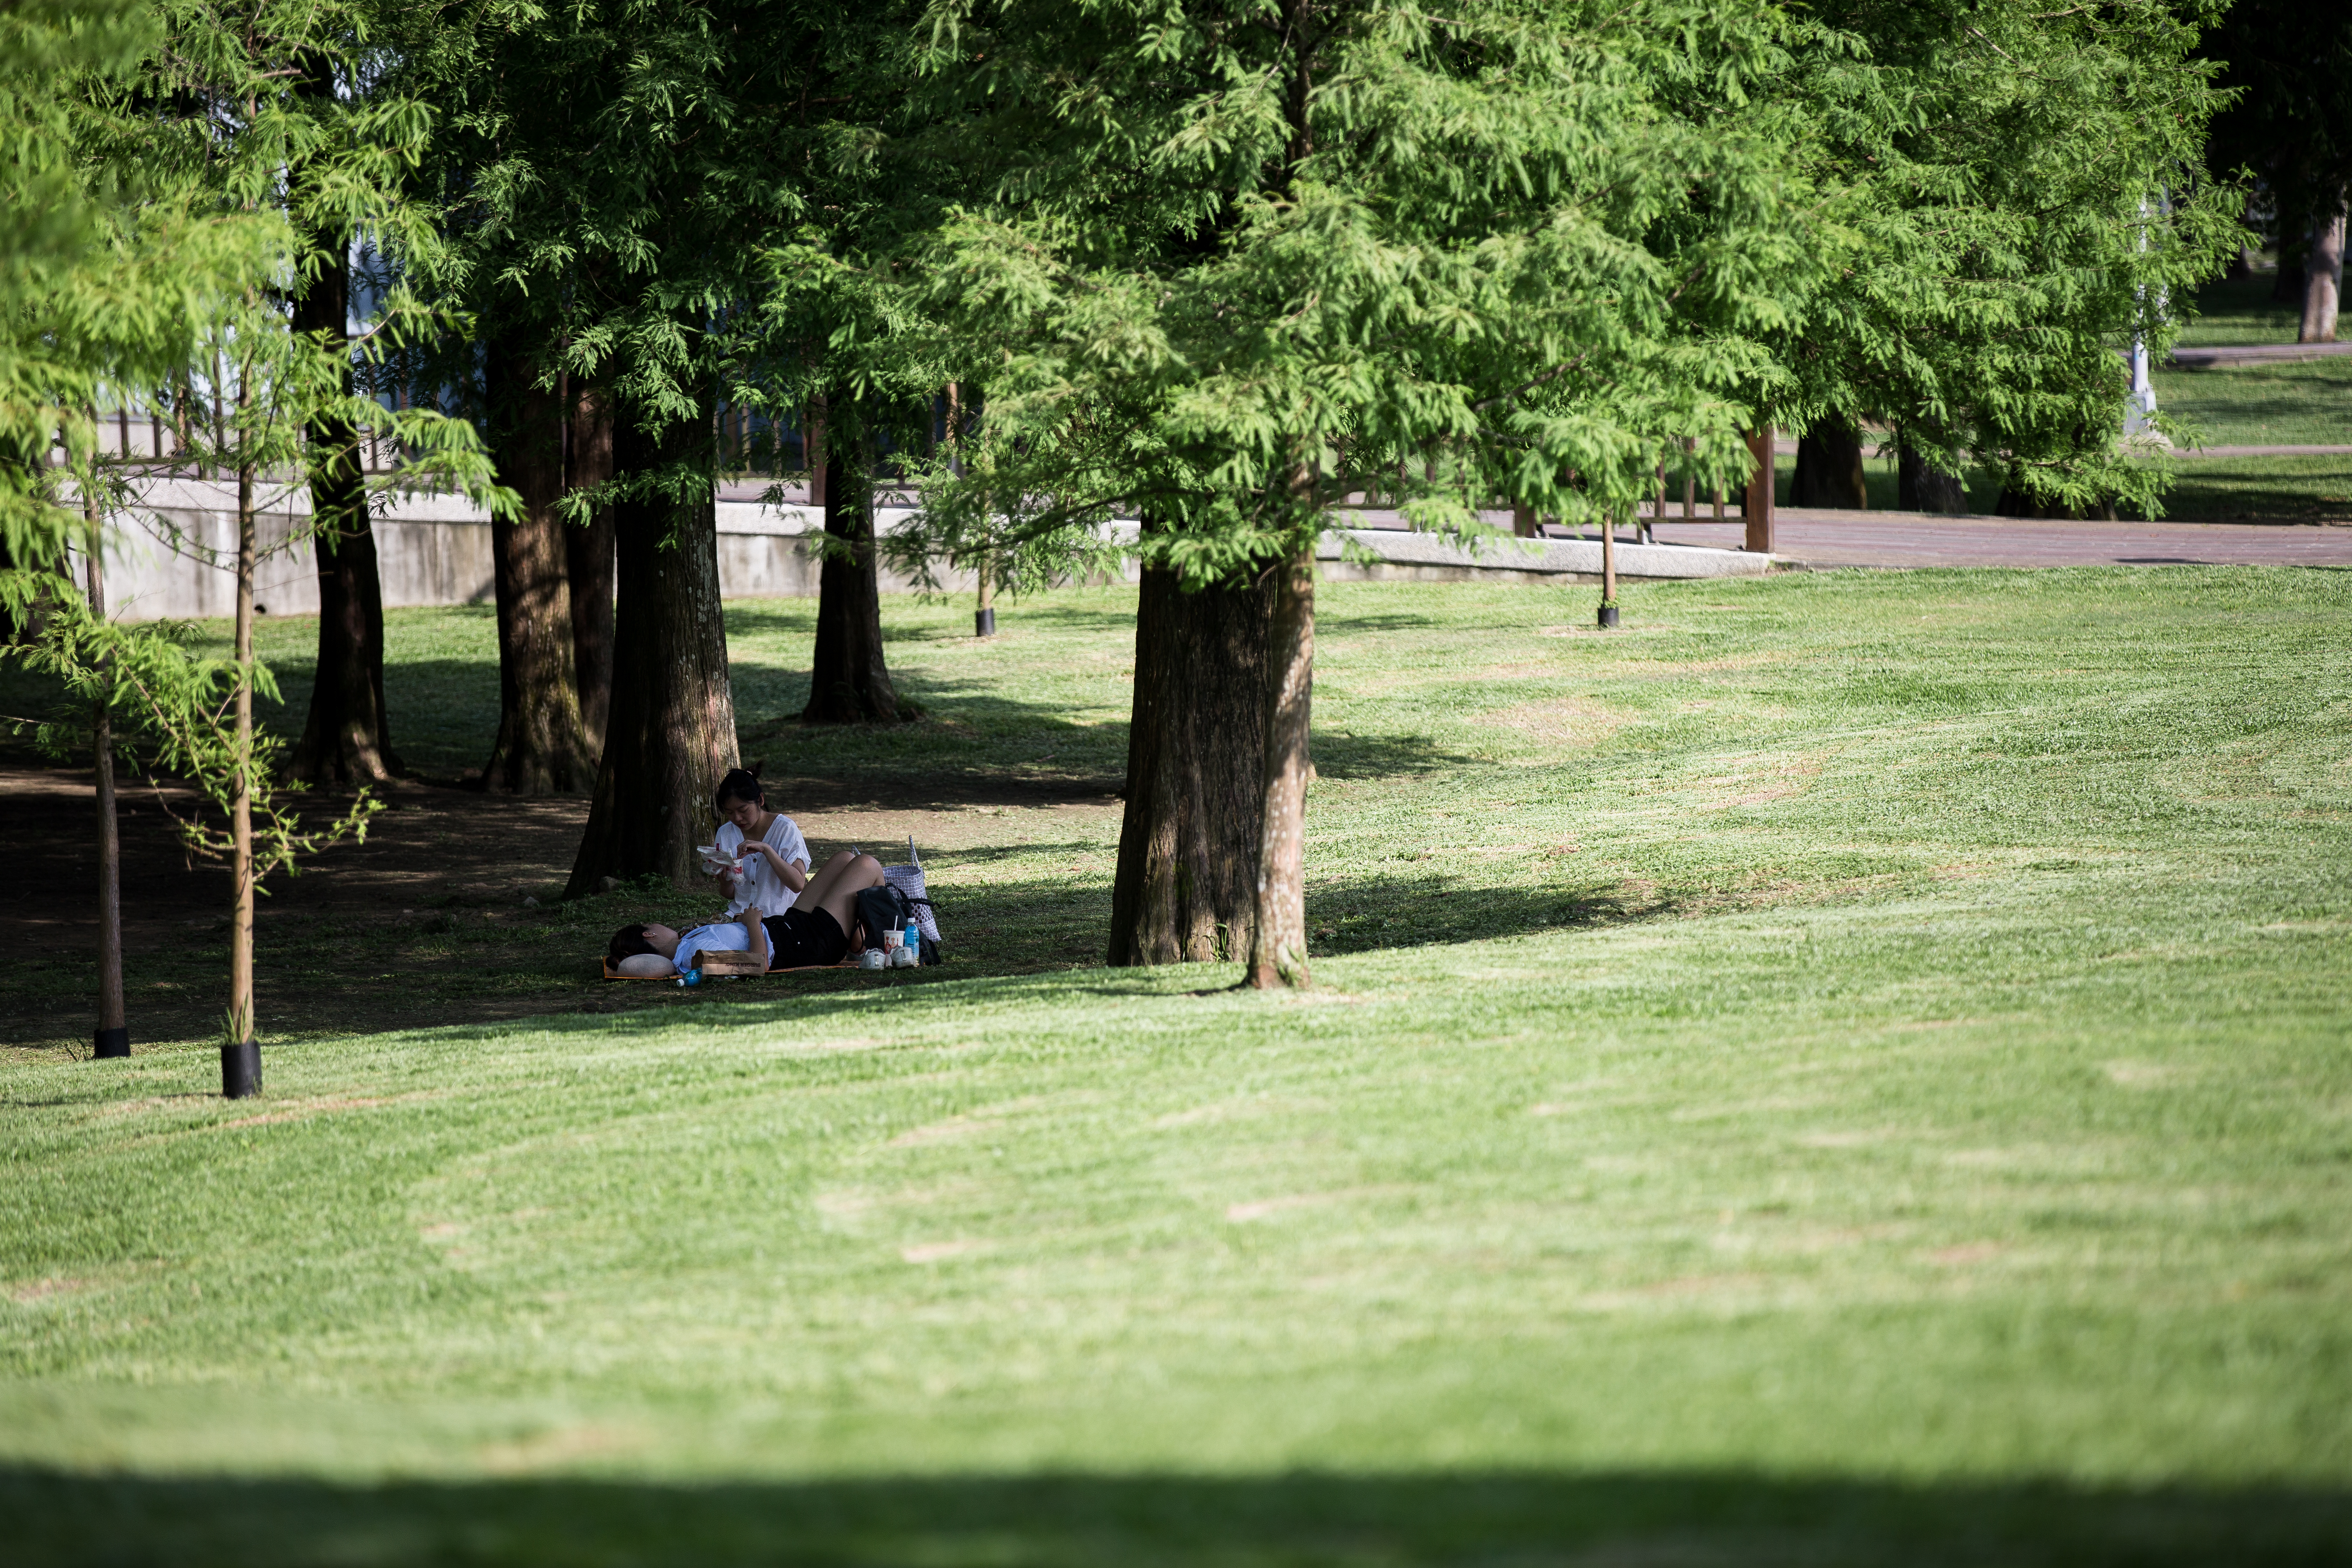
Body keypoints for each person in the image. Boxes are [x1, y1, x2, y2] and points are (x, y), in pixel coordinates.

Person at [608, 849, 889, 973]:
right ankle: (883, 943)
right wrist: (753, 923)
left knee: (844, 859)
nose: (660, 924)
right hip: (809, 943)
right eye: (652, 923)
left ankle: (857, 935)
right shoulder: (694, 960)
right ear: (650, 934)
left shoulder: (688, 943)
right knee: (867, 865)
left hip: (788, 926)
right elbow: (757, 965)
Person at [708, 767, 810, 922]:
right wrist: (725, 881)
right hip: (739, 917)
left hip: (779, 918)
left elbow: (798, 884)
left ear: (760, 800)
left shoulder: (785, 829)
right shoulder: (726, 833)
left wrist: (766, 849)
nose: (737, 818)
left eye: (743, 810)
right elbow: (730, 894)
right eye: (729, 812)